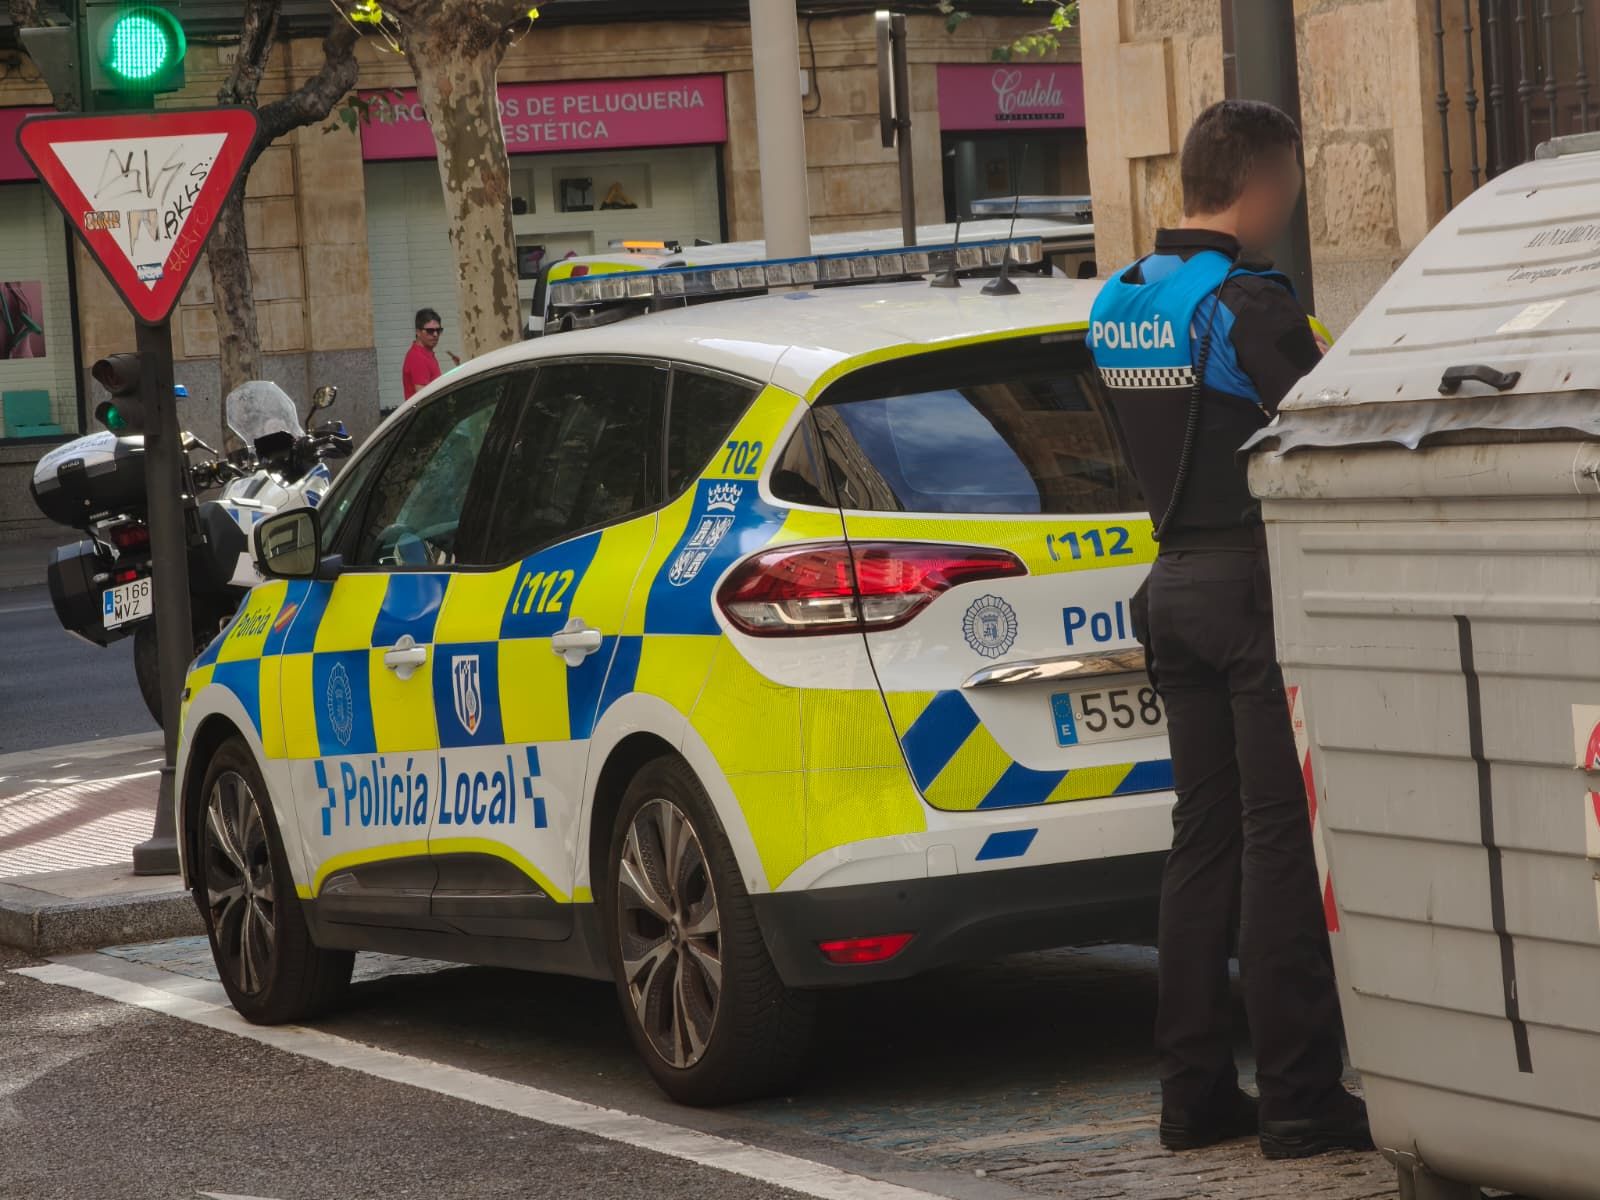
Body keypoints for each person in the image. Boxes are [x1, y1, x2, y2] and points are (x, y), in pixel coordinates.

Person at [1087, 99, 1372, 1160]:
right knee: (1277, 844)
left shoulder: (1119, 299)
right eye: (1289, 185)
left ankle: (1190, 1092)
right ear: (1260, 184)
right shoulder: (1247, 302)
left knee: (1199, 843)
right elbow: (1321, 426)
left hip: (1170, 586)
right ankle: (1299, 1097)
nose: (1290, 203)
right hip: (1252, 588)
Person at [398, 307, 458, 410]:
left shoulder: (426, 353)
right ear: (418, 332)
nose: (435, 334)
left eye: (438, 330)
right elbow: (424, 399)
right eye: (430, 331)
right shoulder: (417, 357)